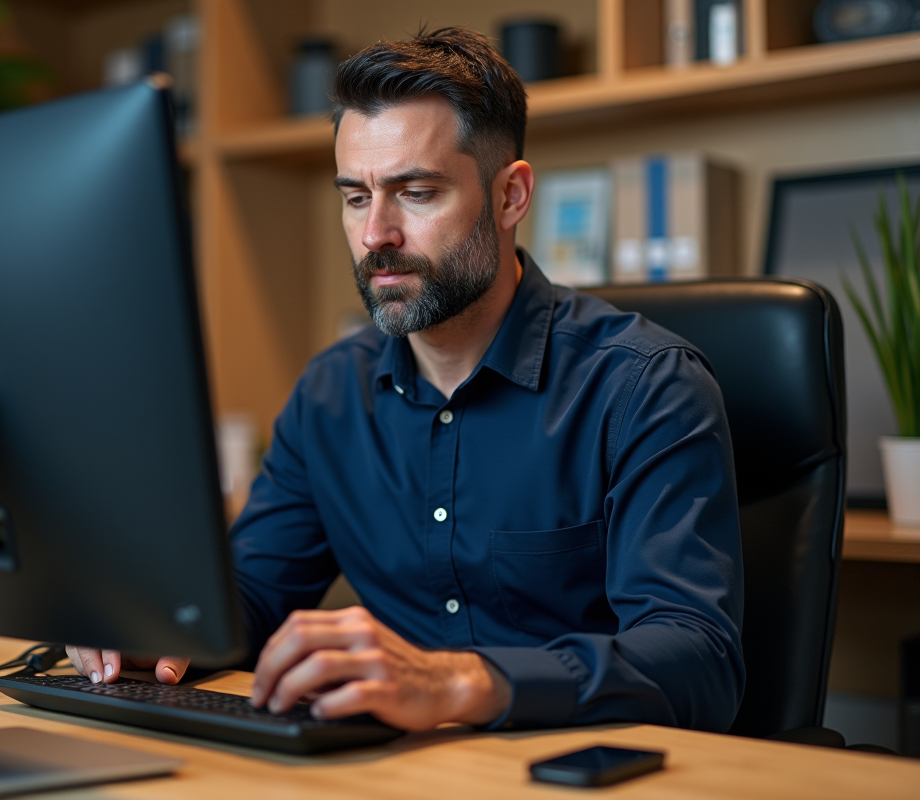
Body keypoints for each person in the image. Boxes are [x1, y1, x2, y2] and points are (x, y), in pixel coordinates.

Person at [68, 26, 745, 733]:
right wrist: (157, 626)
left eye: (415, 193)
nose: (375, 235)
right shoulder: (330, 394)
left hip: (580, 766)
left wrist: (461, 683)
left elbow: (698, 659)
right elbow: (255, 591)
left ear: (511, 196)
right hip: (390, 768)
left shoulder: (644, 387)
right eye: (356, 197)